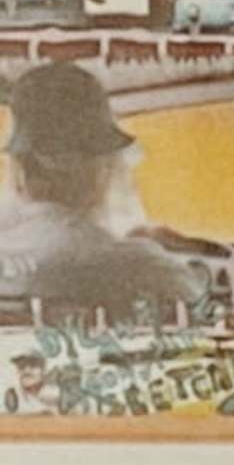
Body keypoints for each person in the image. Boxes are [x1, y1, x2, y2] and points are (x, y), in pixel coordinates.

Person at [0, 53, 209, 324]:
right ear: (87, 164)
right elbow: (198, 301)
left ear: (19, 164)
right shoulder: (127, 262)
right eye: (108, 156)